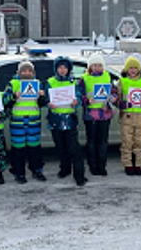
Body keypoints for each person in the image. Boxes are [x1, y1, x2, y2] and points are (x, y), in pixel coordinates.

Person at [45, 56, 87, 186]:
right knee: (60, 148)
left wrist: (76, 102)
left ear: (69, 69)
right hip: (55, 120)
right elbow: (45, 98)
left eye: (65, 67)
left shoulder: (73, 82)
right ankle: (65, 169)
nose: (62, 70)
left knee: (74, 149)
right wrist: (48, 103)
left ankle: (79, 175)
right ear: (56, 69)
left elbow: (79, 97)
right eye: (60, 67)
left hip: (70, 121)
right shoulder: (50, 82)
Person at [3, 60, 47, 184]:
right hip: (18, 121)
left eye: (29, 71)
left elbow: (43, 103)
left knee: (35, 148)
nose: (27, 73)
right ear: (19, 72)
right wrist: (13, 96)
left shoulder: (37, 84)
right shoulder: (13, 83)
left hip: (34, 121)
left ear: (33, 72)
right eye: (24, 70)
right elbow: (5, 101)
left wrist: (42, 96)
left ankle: (37, 170)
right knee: (18, 149)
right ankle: (19, 173)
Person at [78, 53, 118, 176]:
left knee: (103, 141)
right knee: (91, 141)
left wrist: (113, 98)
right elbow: (79, 95)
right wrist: (87, 101)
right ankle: (93, 166)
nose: (97, 68)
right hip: (91, 115)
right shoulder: (84, 79)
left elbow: (113, 91)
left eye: (99, 65)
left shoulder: (107, 76)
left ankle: (102, 166)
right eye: (94, 65)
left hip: (105, 114)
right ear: (90, 66)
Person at [117, 57, 141, 176]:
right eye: (130, 68)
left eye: (135, 68)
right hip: (128, 116)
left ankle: (138, 164)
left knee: (139, 142)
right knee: (127, 142)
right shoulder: (122, 81)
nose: (133, 70)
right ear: (126, 69)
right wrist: (120, 104)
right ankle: (128, 164)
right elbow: (118, 97)